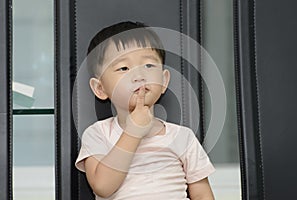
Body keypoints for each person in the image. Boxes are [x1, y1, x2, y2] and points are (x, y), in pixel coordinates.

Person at [75, 21, 215, 200]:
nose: (139, 76)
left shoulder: (183, 137)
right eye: (123, 68)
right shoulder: (98, 134)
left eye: (148, 66)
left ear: (164, 81)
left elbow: (203, 194)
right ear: (100, 89)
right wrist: (133, 132)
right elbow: (102, 187)